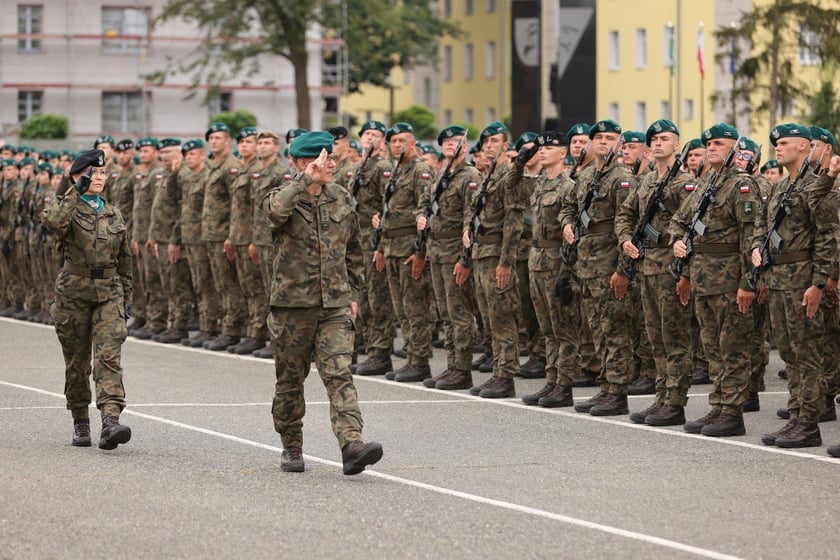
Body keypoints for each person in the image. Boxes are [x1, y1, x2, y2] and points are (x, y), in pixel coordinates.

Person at [261, 131, 383, 475]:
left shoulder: (341, 197)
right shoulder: (280, 195)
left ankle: (352, 444)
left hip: (334, 306)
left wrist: (352, 294)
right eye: (326, 158)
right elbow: (274, 213)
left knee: (339, 374)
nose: (333, 164)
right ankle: (291, 445)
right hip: (292, 308)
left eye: (332, 158)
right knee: (290, 381)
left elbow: (353, 249)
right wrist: (304, 180)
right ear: (306, 162)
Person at [670, 122, 760, 437]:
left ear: (735, 149)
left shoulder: (742, 185)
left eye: (719, 144)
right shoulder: (706, 182)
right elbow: (680, 220)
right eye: (709, 144)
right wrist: (677, 243)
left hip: (730, 281)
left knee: (732, 348)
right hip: (703, 278)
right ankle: (719, 405)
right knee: (712, 349)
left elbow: (751, 238)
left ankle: (733, 413)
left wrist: (748, 283)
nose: (711, 148)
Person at [41, 149, 133, 450]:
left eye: (102, 173)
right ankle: (80, 419)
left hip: (109, 292)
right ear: (76, 177)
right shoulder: (66, 207)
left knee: (109, 357)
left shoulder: (113, 213)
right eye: (91, 174)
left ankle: (110, 420)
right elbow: (52, 223)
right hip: (73, 294)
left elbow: (125, 259)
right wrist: (73, 193)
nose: (98, 178)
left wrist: (127, 296)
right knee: (77, 363)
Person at [754, 124, 837, 448]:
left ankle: (809, 424)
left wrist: (818, 283)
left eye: (785, 142)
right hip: (778, 280)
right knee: (789, 353)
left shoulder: (817, 186)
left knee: (807, 354)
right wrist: (757, 247)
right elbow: (763, 223)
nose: (778, 147)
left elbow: (827, 237)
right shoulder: (781, 187)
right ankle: (796, 416)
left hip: (802, 279)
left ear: (803, 146)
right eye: (776, 143)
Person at [616, 119, 694, 425]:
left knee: (674, 338)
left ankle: (675, 402)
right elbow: (625, 213)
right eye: (655, 140)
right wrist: (625, 239)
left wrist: (685, 273)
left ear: (677, 145)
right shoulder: (646, 181)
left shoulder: (685, 183)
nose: (659, 143)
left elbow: (690, 228)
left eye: (665, 139)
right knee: (656, 338)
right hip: (647, 266)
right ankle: (661, 396)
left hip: (670, 268)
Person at [560, 119, 638, 416]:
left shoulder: (623, 179)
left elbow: (629, 226)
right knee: (597, 330)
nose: (604, 142)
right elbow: (569, 206)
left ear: (620, 144)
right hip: (586, 266)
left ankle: (617, 392)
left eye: (610, 137)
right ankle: (605, 386)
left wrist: (622, 270)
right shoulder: (586, 176)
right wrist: (567, 223)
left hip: (609, 266)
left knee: (615, 330)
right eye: (599, 138)